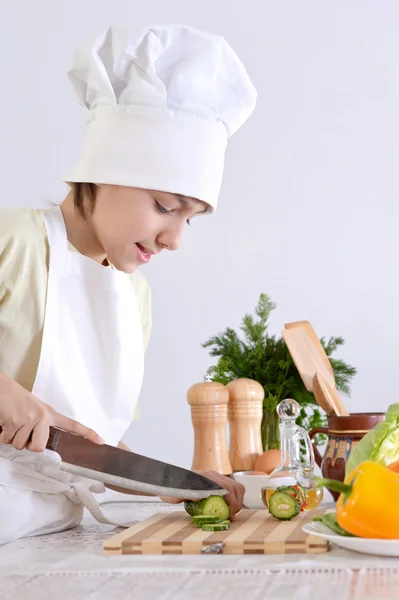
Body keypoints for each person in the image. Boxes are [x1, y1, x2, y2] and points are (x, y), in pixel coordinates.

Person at [0, 23, 256, 545]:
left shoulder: (132, 298)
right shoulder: (14, 240)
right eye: (165, 206)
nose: (174, 238)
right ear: (103, 169)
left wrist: (170, 485)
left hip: (47, 538)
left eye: (191, 218)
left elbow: (92, 448)